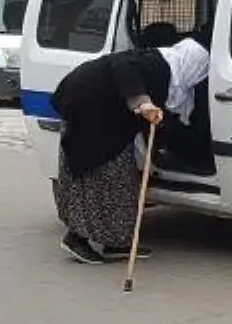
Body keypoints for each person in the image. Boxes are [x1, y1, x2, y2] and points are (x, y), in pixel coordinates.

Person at [51, 37, 210, 264]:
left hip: (103, 112)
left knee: (120, 181)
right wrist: (142, 102)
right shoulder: (158, 65)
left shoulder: (169, 68)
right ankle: (77, 239)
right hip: (88, 105)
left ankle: (116, 242)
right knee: (96, 175)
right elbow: (120, 66)